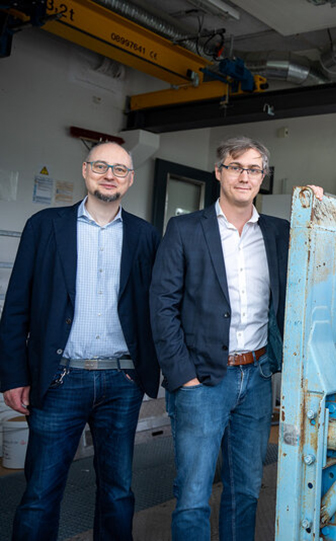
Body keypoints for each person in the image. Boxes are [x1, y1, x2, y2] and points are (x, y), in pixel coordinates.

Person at [150, 136, 322, 540]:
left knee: (245, 490)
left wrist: (317, 205)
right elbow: (162, 308)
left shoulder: (280, 233)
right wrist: (183, 377)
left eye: (254, 169)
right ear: (219, 172)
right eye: (236, 166)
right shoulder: (185, 229)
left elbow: (321, 248)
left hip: (258, 377)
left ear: (263, 177)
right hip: (202, 381)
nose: (245, 176)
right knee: (192, 494)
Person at [0, 142, 161, 540]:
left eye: (120, 169)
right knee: (40, 492)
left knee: (118, 492)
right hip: (59, 379)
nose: (110, 175)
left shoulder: (145, 235)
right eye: (102, 166)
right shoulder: (45, 225)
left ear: (130, 179)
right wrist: (12, 374)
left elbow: (157, 308)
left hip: (121, 382)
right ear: (86, 171)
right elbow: (16, 304)